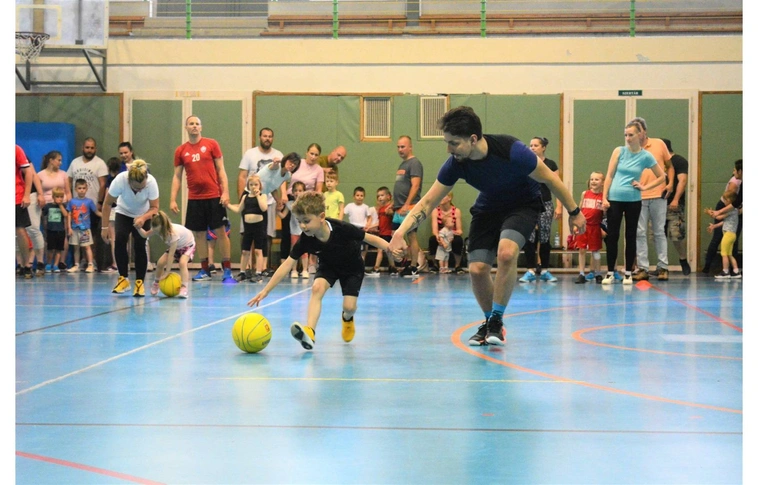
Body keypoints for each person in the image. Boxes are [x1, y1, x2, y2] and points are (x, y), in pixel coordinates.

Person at [388, 106, 586, 347]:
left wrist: (574, 212)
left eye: (454, 143)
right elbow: (428, 202)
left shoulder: (512, 150)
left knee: (506, 253)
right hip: (488, 207)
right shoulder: (455, 163)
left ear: (473, 139)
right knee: (478, 269)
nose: (449, 149)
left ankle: (496, 320)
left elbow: (551, 179)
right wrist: (400, 232)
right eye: (447, 143)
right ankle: (491, 322)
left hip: (522, 205)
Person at [247, 191, 392, 351]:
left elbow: (369, 238)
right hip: (328, 266)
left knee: (349, 307)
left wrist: (391, 248)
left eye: (306, 221)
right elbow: (287, 264)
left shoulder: (342, 228)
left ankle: (347, 318)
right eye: (299, 221)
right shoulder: (305, 239)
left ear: (321, 216)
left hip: (352, 268)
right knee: (317, 288)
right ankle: (310, 332)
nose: (302, 226)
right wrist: (266, 290)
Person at [170, 115, 235, 283]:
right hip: (195, 198)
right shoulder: (181, 151)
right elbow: (177, 176)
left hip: (214, 196)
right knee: (199, 234)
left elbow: (221, 170)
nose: (194, 126)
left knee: (220, 232)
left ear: (201, 127)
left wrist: (225, 192)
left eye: (197, 124)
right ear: (186, 127)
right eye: (191, 124)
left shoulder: (211, 144)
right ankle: (205, 269)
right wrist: (173, 199)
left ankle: (227, 269)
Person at [601, 120, 666, 285]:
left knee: (631, 236)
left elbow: (662, 176)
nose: (628, 138)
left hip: (634, 200)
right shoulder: (619, 151)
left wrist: (645, 187)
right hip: (615, 199)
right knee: (612, 235)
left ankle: (628, 273)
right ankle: (610, 272)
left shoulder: (646, 156)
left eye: (631, 135)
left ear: (640, 135)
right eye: (626, 135)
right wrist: (604, 197)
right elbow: (609, 175)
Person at [101, 159, 160, 297]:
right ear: (129, 181)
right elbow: (107, 204)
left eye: (142, 188)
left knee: (140, 244)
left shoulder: (151, 182)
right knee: (120, 240)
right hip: (124, 212)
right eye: (136, 188)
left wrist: (143, 218)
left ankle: (139, 282)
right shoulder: (120, 180)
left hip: (144, 213)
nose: (140, 190)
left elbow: (154, 207)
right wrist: (104, 227)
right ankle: (123, 279)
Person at [629, 117, 675, 282]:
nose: (635, 135)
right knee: (639, 232)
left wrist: (670, 184)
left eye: (638, 131)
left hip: (658, 194)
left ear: (644, 131)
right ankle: (643, 268)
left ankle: (663, 267)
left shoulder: (659, 144)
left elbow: (669, 166)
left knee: (659, 231)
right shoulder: (630, 149)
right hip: (638, 196)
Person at [238, 128, 285, 267]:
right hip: (250, 200)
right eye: (265, 136)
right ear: (260, 137)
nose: (267, 138)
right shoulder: (250, 154)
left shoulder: (278, 155)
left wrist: (280, 198)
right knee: (246, 232)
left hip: (268, 201)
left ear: (273, 138)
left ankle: (263, 266)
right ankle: (246, 266)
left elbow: (281, 178)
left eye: (270, 136)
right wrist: (242, 198)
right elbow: (242, 176)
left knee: (267, 234)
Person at [520, 136, 562, 283]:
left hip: (546, 204)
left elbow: (557, 186)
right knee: (530, 237)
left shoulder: (551, 164)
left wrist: (559, 206)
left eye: (536, 145)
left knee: (544, 237)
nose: (532, 148)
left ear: (543, 147)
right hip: (529, 204)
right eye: (531, 145)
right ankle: (530, 270)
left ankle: (544, 270)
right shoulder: (526, 163)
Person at [67, 137, 108, 272]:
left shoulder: (100, 163)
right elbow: (68, 180)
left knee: (91, 235)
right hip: (77, 207)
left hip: (91, 204)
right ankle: (81, 261)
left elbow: (103, 184)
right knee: (77, 236)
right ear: (83, 148)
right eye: (87, 147)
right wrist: (69, 196)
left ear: (95, 149)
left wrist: (100, 202)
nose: (89, 150)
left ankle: (92, 261)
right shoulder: (75, 163)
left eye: (92, 148)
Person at [136, 211, 196, 299]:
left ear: (164, 227)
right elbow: (145, 235)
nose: (158, 233)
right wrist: (138, 228)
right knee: (160, 263)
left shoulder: (173, 234)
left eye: (158, 232)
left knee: (182, 263)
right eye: (155, 231)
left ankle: (184, 287)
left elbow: (171, 255)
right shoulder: (157, 228)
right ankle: (156, 283)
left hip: (188, 245)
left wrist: (167, 272)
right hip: (177, 246)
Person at [226, 174, 269, 283]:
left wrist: (258, 196)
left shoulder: (263, 196)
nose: (253, 187)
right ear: (248, 186)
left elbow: (264, 208)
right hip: (248, 227)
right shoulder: (245, 197)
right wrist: (228, 205)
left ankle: (258, 273)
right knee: (245, 251)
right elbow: (239, 209)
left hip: (259, 227)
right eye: (251, 184)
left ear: (260, 186)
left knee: (258, 250)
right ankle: (242, 272)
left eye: (256, 184)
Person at [119, 141, 153, 272]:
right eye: (121, 153)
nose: (124, 155)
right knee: (122, 238)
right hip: (125, 207)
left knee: (142, 238)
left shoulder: (142, 169)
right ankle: (124, 265)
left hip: (142, 208)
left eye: (126, 152)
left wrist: (145, 215)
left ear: (131, 152)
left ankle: (146, 262)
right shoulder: (120, 169)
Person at [392, 135, 424, 279]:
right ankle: (405, 261)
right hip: (398, 208)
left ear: (410, 147)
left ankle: (413, 266)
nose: (400, 149)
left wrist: (407, 204)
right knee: (395, 235)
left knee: (411, 236)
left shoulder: (414, 163)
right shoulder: (402, 165)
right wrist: (394, 204)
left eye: (403, 146)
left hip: (410, 207)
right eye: (398, 147)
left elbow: (415, 186)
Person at [703, 159, 742, 274]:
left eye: (735, 170)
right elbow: (731, 203)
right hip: (730, 208)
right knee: (718, 239)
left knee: (725, 251)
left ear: (740, 171)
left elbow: (733, 202)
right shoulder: (735, 181)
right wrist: (716, 214)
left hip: (732, 209)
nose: (733, 172)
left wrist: (717, 213)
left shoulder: (737, 184)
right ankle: (710, 267)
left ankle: (727, 270)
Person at [39, 150, 73, 271]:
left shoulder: (63, 174)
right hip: (47, 207)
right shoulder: (40, 175)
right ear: (51, 160)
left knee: (62, 233)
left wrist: (69, 206)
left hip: (62, 207)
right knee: (48, 234)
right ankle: (47, 262)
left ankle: (60, 262)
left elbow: (68, 192)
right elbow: (38, 192)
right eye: (58, 160)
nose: (60, 163)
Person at [661, 138, 691, 275]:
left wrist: (676, 199)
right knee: (658, 235)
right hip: (658, 203)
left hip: (673, 204)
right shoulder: (658, 161)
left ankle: (683, 259)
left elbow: (682, 180)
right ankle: (662, 265)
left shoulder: (679, 161)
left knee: (676, 235)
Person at [574, 172, 605, 284]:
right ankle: (581, 273)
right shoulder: (585, 194)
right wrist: (576, 224)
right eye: (592, 179)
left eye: (596, 179)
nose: (593, 181)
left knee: (595, 251)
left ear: (602, 182)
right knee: (582, 249)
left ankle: (598, 273)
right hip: (584, 226)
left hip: (595, 227)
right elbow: (580, 209)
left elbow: (605, 215)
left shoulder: (603, 197)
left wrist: (604, 228)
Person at [66, 179, 101, 273]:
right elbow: (69, 214)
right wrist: (69, 227)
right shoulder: (72, 201)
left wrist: (106, 216)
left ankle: (90, 264)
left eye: (83, 188)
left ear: (86, 189)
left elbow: (96, 212)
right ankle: (76, 265)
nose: (81, 190)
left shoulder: (89, 201)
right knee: (76, 248)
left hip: (85, 229)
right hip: (74, 228)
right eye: (79, 188)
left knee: (87, 247)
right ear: (75, 189)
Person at [707, 189, 741, 280]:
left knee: (724, 253)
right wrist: (714, 226)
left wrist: (711, 213)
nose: (724, 202)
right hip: (731, 235)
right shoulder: (735, 211)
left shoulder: (732, 210)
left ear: (729, 201)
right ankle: (736, 271)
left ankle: (725, 271)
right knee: (729, 254)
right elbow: (724, 222)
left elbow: (719, 217)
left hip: (728, 235)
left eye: (725, 200)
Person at [427, 191, 465, 274]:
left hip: (451, 235)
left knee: (458, 240)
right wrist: (439, 237)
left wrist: (452, 234)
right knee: (432, 240)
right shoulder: (435, 211)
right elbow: (434, 230)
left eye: (443, 196)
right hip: (441, 234)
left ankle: (457, 266)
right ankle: (435, 265)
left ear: (449, 198)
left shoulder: (456, 211)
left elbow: (459, 230)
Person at [278, 181, 309, 278]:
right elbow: (283, 215)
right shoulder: (290, 204)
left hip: (304, 231)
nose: (297, 193)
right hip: (294, 231)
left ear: (304, 192)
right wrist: (277, 210)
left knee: (304, 251)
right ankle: (294, 270)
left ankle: (305, 270)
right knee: (294, 251)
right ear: (292, 192)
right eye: (295, 190)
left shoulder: (307, 205)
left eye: (300, 190)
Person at [16, 145, 35, 279]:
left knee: (20, 230)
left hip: (16, 196)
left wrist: (27, 195)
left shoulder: (16, 149)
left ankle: (26, 265)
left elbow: (29, 172)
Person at [103, 157, 125, 273]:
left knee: (114, 238)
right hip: (123, 210)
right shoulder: (123, 179)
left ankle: (116, 263)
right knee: (122, 238)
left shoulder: (111, 180)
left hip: (114, 210)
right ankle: (123, 263)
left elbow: (108, 197)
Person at [366, 186, 395, 277]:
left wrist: (391, 208)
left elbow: (393, 212)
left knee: (380, 250)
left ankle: (376, 268)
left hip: (388, 233)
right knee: (388, 251)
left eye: (382, 195)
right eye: (378, 196)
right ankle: (393, 268)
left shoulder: (389, 209)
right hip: (382, 233)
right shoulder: (381, 209)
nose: (380, 198)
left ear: (388, 196)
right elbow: (380, 222)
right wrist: (370, 227)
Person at [41, 187, 69, 273]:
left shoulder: (64, 206)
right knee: (50, 249)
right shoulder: (48, 206)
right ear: (53, 197)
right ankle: (49, 264)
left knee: (58, 249)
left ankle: (56, 265)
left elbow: (66, 215)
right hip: (51, 230)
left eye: (61, 197)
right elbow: (43, 216)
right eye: (57, 196)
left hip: (60, 230)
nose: (59, 199)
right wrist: (45, 227)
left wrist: (60, 205)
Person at [344, 186, 372, 263]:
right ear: (354, 196)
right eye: (357, 195)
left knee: (363, 250)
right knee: (352, 248)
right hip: (352, 229)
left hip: (362, 229)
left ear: (364, 197)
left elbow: (370, 217)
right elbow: (342, 214)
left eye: (361, 195)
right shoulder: (349, 206)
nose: (359, 197)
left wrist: (368, 225)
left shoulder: (365, 207)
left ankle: (361, 265)